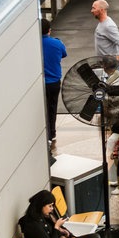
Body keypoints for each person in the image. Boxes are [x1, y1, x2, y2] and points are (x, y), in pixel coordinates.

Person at [18, 190, 103, 238]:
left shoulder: (46, 215)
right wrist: (56, 228)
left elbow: (62, 229)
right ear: (41, 205)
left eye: (53, 206)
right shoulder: (32, 225)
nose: (52, 209)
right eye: (50, 206)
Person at [41, 19, 67, 147]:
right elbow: (64, 54)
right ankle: (52, 132)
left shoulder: (35, 44)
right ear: (49, 30)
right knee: (52, 107)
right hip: (54, 82)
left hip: (41, 83)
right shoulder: (57, 43)